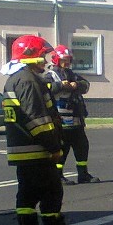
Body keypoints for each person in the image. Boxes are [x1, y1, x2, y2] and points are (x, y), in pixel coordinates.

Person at [1, 35, 84, 225]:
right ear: (30, 56)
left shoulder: (16, 79)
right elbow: (38, 119)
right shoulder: (28, 81)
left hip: (23, 152)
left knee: (26, 198)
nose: (45, 60)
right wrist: (53, 147)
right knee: (51, 195)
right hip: (37, 152)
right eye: (42, 55)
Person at [44, 44, 99, 185]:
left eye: (68, 59)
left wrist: (76, 85)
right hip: (61, 121)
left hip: (76, 120)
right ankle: (57, 176)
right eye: (64, 59)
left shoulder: (71, 74)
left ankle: (83, 174)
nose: (66, 62)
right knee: (62, 150)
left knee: (82, 147)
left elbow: (85, 85)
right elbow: (46, 89)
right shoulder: (50, 75)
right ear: (56, 59)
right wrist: (62, 85)